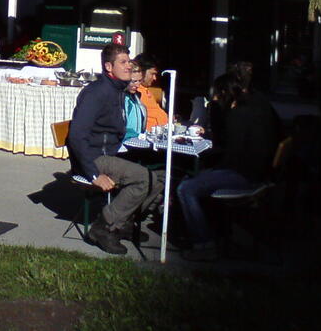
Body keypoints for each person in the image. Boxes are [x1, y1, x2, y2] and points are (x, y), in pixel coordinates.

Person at [67, 43, 165, 255]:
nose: (129, 66)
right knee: (143, 178)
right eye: (123, 62)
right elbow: (76, 136)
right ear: (109, 67)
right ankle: (103, 228)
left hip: (111, 153)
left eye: (129, 61)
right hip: (95, 157)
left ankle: (125, 222)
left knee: (160, 176)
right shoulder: (97, 93)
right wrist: (93, 173)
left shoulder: (118, 90)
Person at [175, 72, 280, 261]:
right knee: (200, 177)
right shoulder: (258, 108)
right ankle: (213, 232)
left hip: (244, 175)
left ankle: (204, 244)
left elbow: (232, 153)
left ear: (225, 93)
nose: (215, 98)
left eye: (217, 93)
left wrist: (211, 168)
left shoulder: (237, 115)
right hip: (260, 173)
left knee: (186, 187)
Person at [133, 54, 168, 131]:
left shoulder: (147, 91)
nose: (155, 78)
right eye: (152, 74)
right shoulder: (134, 92)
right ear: (141, 72)